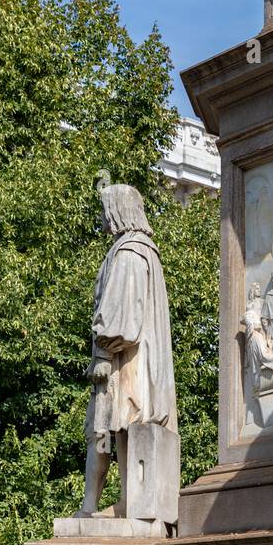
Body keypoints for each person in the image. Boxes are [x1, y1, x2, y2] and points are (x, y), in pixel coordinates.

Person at [79, 183, 177, 518]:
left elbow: (123, 316)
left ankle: (100, 504)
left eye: (106, 210)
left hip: (122, 361)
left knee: (107, 427)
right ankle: (118, 501)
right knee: (114, 428)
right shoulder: (144, 251)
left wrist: (104, 352)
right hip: (132, 359)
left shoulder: (128, 253)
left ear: (117, 211)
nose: (102, 218)